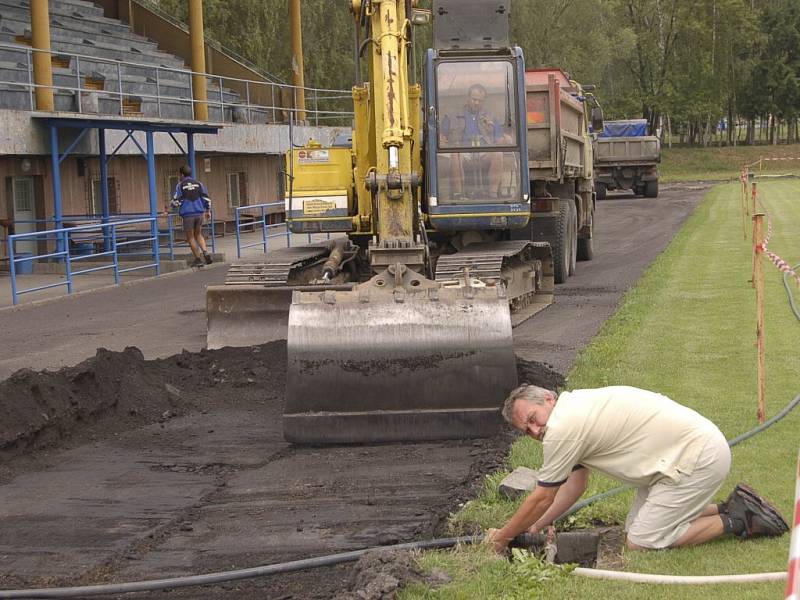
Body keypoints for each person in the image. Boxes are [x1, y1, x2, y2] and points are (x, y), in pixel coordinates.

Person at [486, 384, 789, 553]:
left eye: (533, 417)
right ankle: (730, 505)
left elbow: (542, 497)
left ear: (548, 399)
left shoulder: (563, 428)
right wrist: (536, 527)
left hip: (696, 459)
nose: (535, 430)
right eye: (526, 429)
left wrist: (502, 538)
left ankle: (739, 519)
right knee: (636, 526)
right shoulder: (575, 408)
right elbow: (575, 486)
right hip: (685, 456)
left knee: (642, 540)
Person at [440, 83, 511, 199]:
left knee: (498, 153)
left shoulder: (491, 117)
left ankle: (492, 194)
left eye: (480, 101)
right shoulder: (452, 116)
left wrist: (505, 140)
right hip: (462, 152)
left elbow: (499, 139)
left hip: (484, 152)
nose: (477, 103)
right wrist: (442, 140)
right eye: (474, 99)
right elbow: (442, 137)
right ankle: (458, 194)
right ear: (468, 98)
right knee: (455, 154)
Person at [170, 165, 213, 267]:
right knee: (198, 234)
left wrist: (171, 206)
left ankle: (198, 259)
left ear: (182, 174)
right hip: (199, 214)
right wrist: (208, 210)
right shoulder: (199, 184)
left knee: (190, 238)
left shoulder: (180, 185)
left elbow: (176, 201)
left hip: (188, 215)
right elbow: (206, 199)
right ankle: (205, 252)